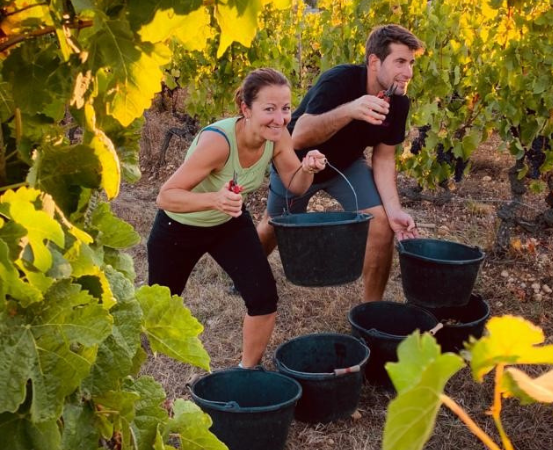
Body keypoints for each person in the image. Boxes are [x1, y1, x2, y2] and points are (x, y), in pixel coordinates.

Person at [147, 68, 326, 368]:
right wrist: (213, 200)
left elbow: (296, 187)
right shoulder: (219, 142)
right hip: (179, 226)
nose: (280, 118)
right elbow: (166, 196)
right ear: (246, 108)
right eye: (269, 109)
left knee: (264, 299)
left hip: (229, 223)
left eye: (285, 108)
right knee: (158, 313)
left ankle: (247, 372)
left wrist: (307, 170)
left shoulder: (278, 135)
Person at [257, 24, 423, 301]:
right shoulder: (339, 80)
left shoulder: (399, 101)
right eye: (400, 62)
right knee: (273, 227)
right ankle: (246, 274)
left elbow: (384, 158)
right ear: (374, 61)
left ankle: (371, 311)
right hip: (299, 163)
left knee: (381, 223)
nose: (408, 72)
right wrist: (351, 109)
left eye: (412, 63)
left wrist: (394, 210)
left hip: (345, 165)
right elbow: (299, 136)